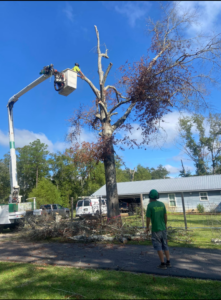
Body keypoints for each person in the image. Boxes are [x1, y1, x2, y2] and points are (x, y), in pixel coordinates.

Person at [146, 189, 171, 269]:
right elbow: (165, 216)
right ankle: (168, 262)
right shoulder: (162, 204)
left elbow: (148, 218)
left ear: (150, 196)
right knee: (165, 245)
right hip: (163, 228)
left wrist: (147, 227)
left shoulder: (150, 205)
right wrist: (165, 225)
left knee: (158, 246)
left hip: (156, 229)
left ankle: (162, 264)